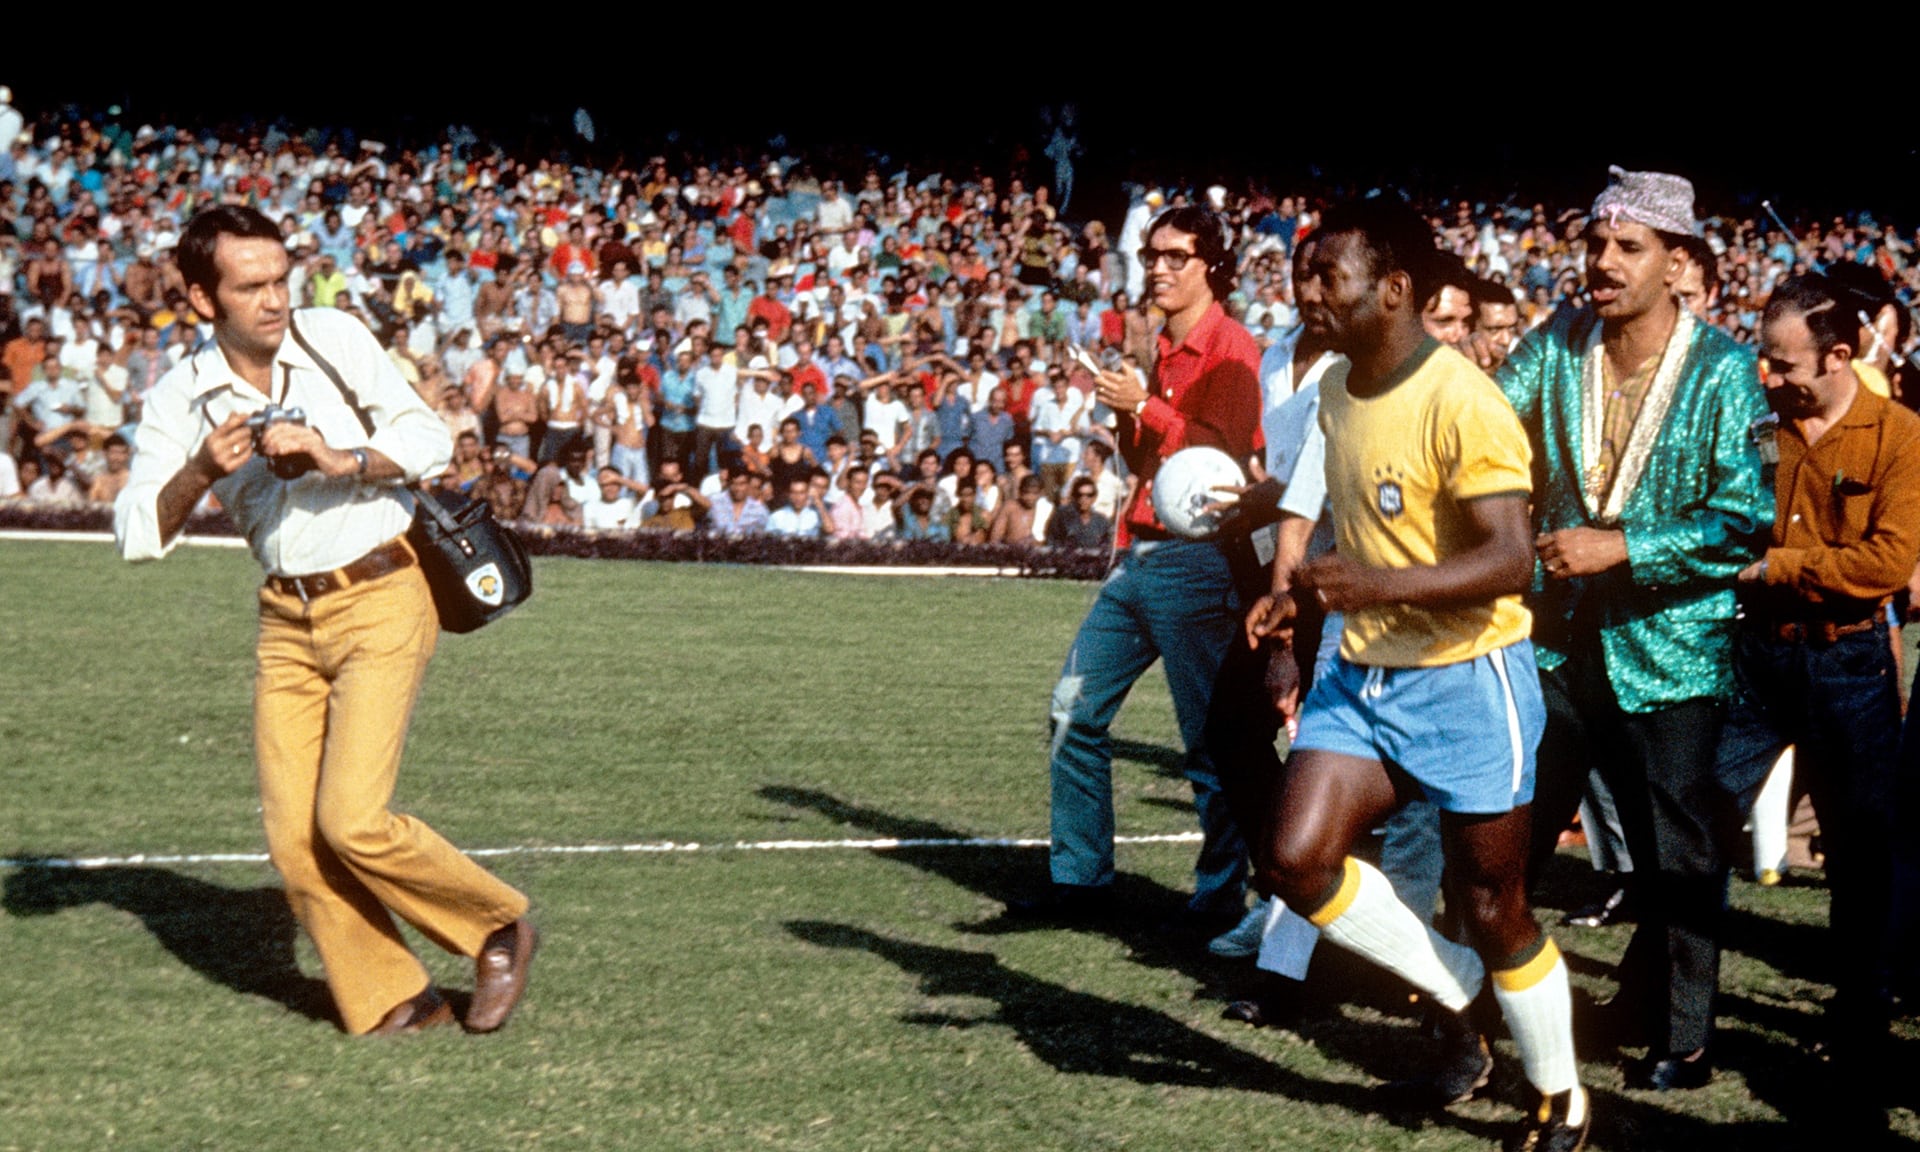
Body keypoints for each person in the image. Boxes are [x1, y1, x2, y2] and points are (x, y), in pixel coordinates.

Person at [112, 206, 536, 1036]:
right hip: (287, 620)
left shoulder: (333, 337)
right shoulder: (182, 395)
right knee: (294, 843)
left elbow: (427, 437)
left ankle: (494, 926)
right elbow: (138, 534)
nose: (275, 300)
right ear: (203, 299)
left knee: (351, 818)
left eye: (281, 279)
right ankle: (394, 999)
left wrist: (338, 458)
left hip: (383, 592)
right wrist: (200, 469)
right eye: (251, 286)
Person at [1252, 198, 1586, 1151]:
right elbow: (1359, 536)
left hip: (1467, 678)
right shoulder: (1337, 390)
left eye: (1329, 277)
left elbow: (1511, 559)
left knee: (1495, 905)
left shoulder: (1464, 400)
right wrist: (1301, 596)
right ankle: (1462, 987)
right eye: (1304, 274)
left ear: (1395, 288)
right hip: (1364, 675)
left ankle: (1559, 1093)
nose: (1308, 292)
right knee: (1294, 859)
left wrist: (1373, 582)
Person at [1493, 168, 1770, 1090]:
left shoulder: (1725, 371)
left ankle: (1682, 1035)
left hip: (1672, 649)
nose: (1602, 264)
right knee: (1516, 831)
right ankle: (1495, 1010)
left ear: (1680, 263)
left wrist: (1626, 547)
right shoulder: (1561, 341)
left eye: (1628, 248)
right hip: (1557, 644)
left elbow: (1742, 520)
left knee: (1676, 855)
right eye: (1595, 245)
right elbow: (1490, 416)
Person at [1011, 205, 1260, 933]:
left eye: (1175, 256)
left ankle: (1220, 899)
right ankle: (1081, 881)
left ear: (1209, 264)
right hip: (1141, 553)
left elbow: (1222, 462)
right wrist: (1131, 410)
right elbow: (1145, 462)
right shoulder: (1162, 346)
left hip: (1196, 562)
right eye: (1152, 255)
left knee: (1209, 744)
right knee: (1073, 712)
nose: (1157, 268)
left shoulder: (1232, 350)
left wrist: (1144, 406)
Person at [1716, 275, 1920, 1096]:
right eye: (1765, 358)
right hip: (1759, 659)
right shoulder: (1761, 427)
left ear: (1839, 356)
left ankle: (1858, 1024)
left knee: (1860, 853)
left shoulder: (1898, 434)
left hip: (1850, 664)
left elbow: (1888, 563)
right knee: (1695, 820)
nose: (1770, 375)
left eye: (1786, 362)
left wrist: (1781, 566)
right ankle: (1671, 1001)